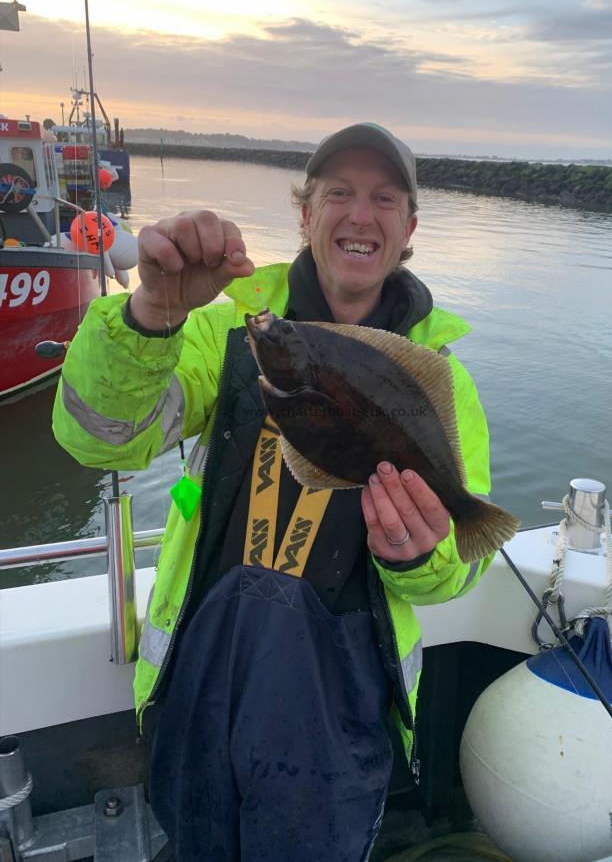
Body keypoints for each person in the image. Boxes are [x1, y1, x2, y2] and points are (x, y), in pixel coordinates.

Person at [53, 123, 494, 861]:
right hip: (202, 673)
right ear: (305, 212)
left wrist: (418, 554)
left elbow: (451, 568)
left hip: (340, 698)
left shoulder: (442, 380)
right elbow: (101, 438)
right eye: (338, 194)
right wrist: (151, 316)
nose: (360, 214)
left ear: (408, 227)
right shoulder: (222, 329)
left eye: (384, 198)